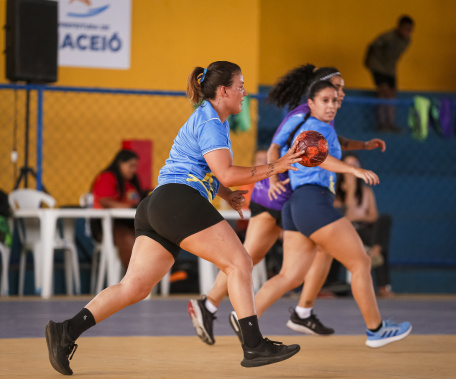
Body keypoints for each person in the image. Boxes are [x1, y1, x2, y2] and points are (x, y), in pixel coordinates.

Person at [45, 61, 304, 376]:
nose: (244, 92)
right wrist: (279, 165)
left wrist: (224, 194)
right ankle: (253, 344)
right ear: (223, 91)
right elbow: (226, 172)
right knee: (240, 263)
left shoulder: (212, 120)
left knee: (134, 287)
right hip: (178, 201)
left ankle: (66, 331)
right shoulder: (210, 120)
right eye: (240, 85)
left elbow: (205, 170)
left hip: (158, 203)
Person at [188, 65, 387, 344]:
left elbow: (331, 145)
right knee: (249, 257)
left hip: (289, 196)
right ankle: (209, 305)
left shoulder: (321, 118)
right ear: (319, 88)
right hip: (275, 193)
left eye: (341, 89)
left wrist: (363, 146)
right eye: (337, 87)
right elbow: (275, 145)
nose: (341, 92)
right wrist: (278, 173)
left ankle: (303, 311)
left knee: (320, 250)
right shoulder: (302, 113)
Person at [231, 80, 411, 349]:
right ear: (311, 103)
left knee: (290, 275)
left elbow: (327, 148)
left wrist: (362, 146)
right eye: (325, 100)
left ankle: (244, 317)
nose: (331, 105)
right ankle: (376, 330)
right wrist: (352, 170)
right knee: (360, 262)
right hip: (312, 200)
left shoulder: (323, 129)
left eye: (335, 101)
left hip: (297, 205)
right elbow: (316, 156)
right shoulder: (313, 127)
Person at [335, 154, 394, 298]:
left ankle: (376, 251)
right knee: (379, 242)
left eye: (355, 165)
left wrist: (360, 217)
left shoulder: (366, 191)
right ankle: (376, 249)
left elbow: (373, 216)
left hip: (364, 229)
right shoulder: (335, 192)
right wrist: (350, 189)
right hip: (345, 232)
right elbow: (344, 217)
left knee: (384, 220)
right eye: (349, 165)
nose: (352, 168)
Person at [90, 149, 145, 268]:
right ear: (120, 163)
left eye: (135, 166)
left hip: (130, 223)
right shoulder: (107, 177)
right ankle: (135, 277)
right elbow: (105, 201)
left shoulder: (131, 183)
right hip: (106, 225)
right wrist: (130, 207)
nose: (134, 170)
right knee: (127, 239)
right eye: (131, 166)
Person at [364, 15, 415, 132]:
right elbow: (372, 46)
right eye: (405, 29)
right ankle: (382, 123)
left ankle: (391, 122)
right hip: (378, 66)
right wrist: (369, 62)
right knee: (383, 92)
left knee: (392, 95)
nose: (407, 32)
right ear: (399, 27)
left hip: (390, 69)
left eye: (410, 30)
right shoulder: (387, 37)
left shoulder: (407, 41)